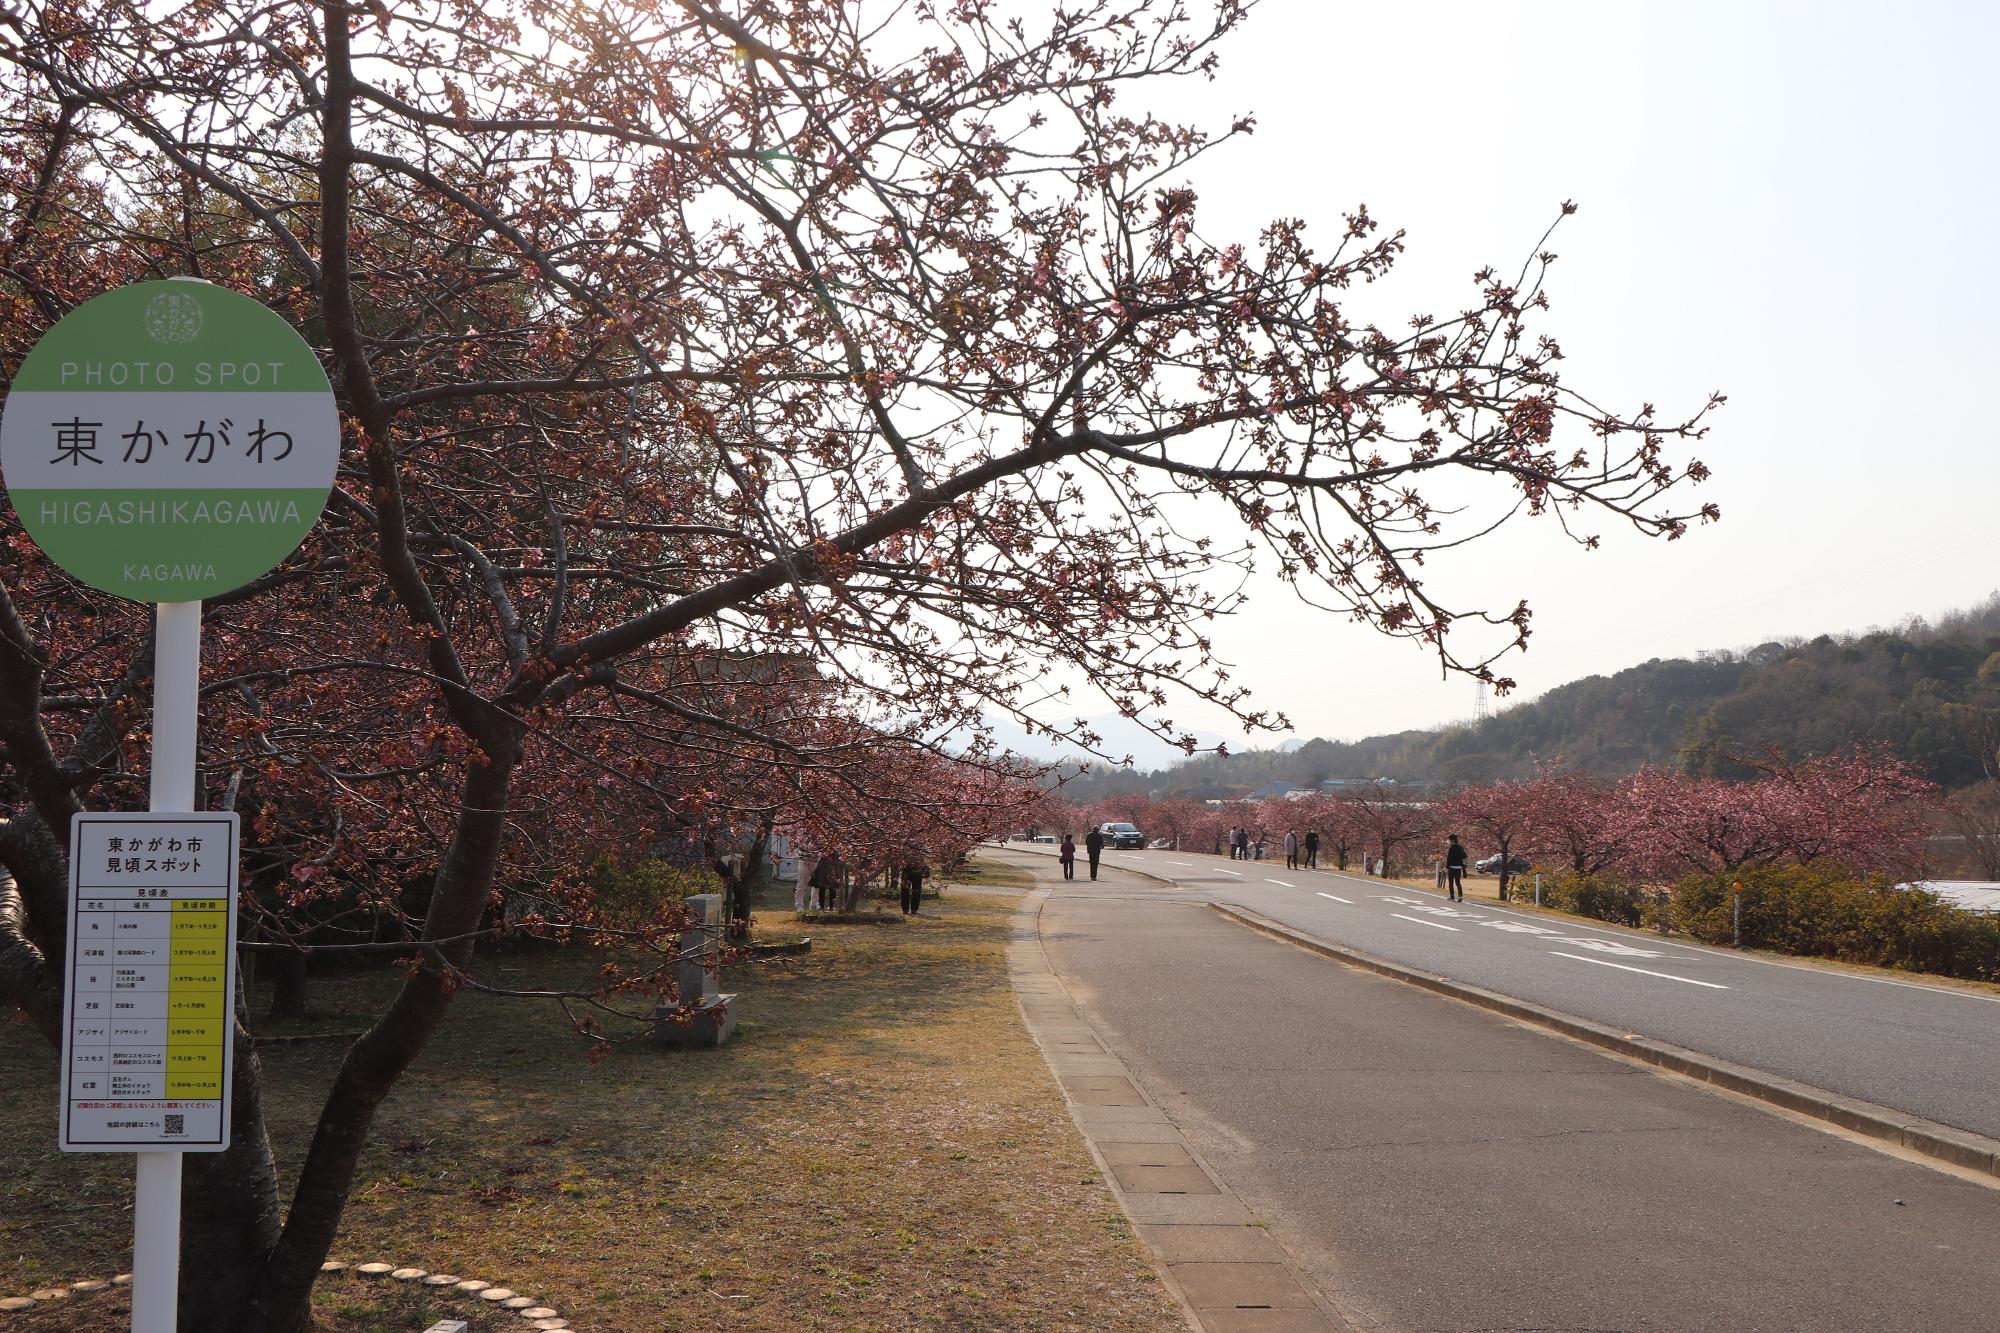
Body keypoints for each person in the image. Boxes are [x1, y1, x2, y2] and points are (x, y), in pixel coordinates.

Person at [1444, 833, 1467, 902]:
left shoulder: (1451, 848)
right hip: (1458, 867)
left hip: (1451, 867)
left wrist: (1447, 867)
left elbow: (1449, 858)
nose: (1449, 841)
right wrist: (1459, 858)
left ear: (1452, 840)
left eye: (1449, 840)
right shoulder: (1460, 847)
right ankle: (1460, 897)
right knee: (1458, 882)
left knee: (1451, 883)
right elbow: (1464, 856)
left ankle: (1452, 897)